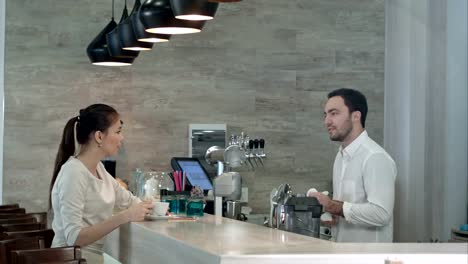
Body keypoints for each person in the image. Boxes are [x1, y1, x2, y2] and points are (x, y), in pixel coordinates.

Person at [49, 104, 153, 263]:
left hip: (93, 258)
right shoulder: (73, 173)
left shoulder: (99, 168)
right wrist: (124, 216)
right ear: (99, 137)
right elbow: (74, 237)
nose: (122, 137)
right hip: (71, 260)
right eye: (118, 131)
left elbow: (129, 200)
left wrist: (156, 208)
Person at [308, 88, 397, 242]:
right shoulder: (340, 156)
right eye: (326, 114)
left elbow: (381, 214)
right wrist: (332, 215)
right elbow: (348, 208)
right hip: (342, 254)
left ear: (356, 116)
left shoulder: (375, 157)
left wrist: (332, 206)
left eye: (334, 113)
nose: (327, 121)